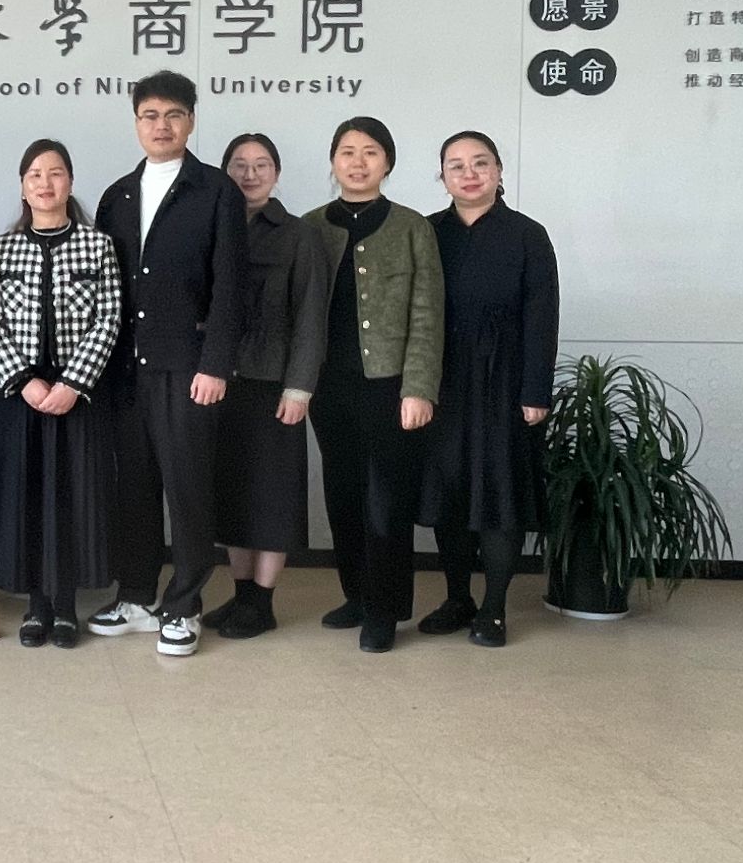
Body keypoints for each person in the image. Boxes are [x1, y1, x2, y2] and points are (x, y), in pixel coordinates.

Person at [84, 70, 247, 659]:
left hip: (188, 368)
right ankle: (135, 596)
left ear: (191, 121)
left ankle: (184, 605)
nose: (162, 126)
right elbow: (100, 286)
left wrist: (216, 364)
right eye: (150, 115)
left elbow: (231, 286)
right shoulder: (117, 196)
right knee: (134, 488)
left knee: (188, 489)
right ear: (136, 123)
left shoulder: (216, 191)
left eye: (174, 115)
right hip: (125, 370)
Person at [0, 140, 122, 649]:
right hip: (21, 395)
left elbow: (109, 318)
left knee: (73, 497)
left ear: (70, 183)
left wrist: (74, 383)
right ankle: (36, 605)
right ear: (22, 186)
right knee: (29, 497)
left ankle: (66, 606)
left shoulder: (98, 246)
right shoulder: (2, 249)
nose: (45, 183)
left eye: (55, 173)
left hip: (79, 396)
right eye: (34, 174)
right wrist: (24, 381)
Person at [303, 117, 444, 653]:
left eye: (370, 152)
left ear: (387, 162)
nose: (357, 162)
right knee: (342, 494)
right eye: (347, 151)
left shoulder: (412, 227)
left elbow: (428, 314)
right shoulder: (311, 227)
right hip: (328, 385)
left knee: (387, 500)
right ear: (333, 161)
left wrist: (419, 388)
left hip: (390, 386)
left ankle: (385, 610)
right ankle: (357, 596)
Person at [416, 131, 560, 649]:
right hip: (441, 382)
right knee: (449, 493)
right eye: (455, 165)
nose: (469, 173)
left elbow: (542, 317)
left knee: (500, 495)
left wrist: (535, 391)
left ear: (499, 171)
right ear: (442, 177)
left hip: (506, 383)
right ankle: (458, 598)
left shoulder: (528, 235)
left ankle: (494, 608)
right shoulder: (427, 232)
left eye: (480, 163)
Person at [201, 133, 330, 640]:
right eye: (239, 165)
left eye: (261, 165)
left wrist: (299, 389)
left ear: (276, 173)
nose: (250, 174)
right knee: (232, 494)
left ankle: (263, 601)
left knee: (272, 497)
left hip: (274, 385)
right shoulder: (213, 229)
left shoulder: (299, 235)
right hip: (221, 383)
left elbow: (311, 318)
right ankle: (240, 596)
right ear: (225, 173)